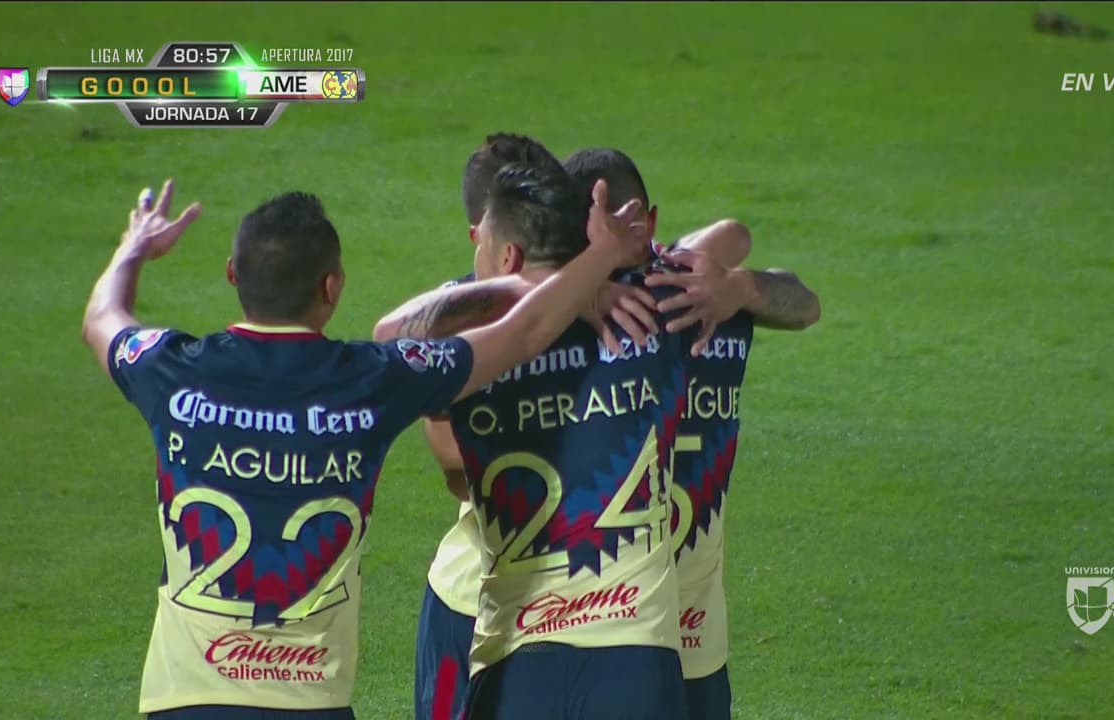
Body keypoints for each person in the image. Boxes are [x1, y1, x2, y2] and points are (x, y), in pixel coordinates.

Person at [79, 176, 647, 719]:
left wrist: (133, 249)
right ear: (332, 287)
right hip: (312, 704)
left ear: (233, 273)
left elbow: (101, 318)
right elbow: (523, 333)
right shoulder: (373, 380)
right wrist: (598, 258)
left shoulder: (171, 373)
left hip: (187, 701)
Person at [405, 134, 755, 720]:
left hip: (520, 614)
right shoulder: (628, 313)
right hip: (490, 601)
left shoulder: (479, 333)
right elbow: (456, 468)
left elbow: (730, 237)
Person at [565, 148, 821, 720]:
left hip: (664, 627)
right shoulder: (564, 315)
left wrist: (741, 286)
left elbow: (803, 302)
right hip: (612, 622)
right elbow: (769, 270)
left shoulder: (695, 290)